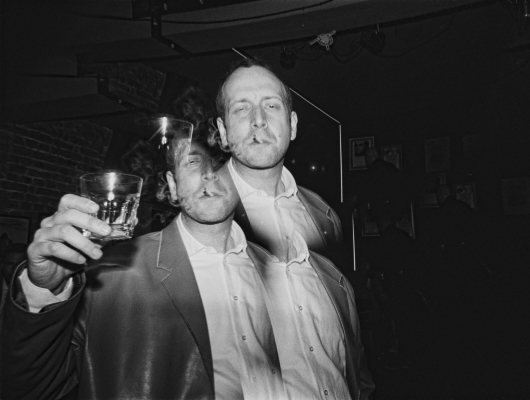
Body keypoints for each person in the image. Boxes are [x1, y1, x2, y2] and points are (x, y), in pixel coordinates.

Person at [1, 135, 374, 400]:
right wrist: (43, 290)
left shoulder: (291, 274)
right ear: (171, 185)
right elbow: (29, 388)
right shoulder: (112, 277)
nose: (211, 175)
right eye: (194, 163)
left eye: (224, 165)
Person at [210, 58, 343, 263]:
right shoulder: (196, 216)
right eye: (241, 109)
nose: (259, 120)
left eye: (271, 105)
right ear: (223, 131)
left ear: (293, 125)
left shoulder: (325, 217)